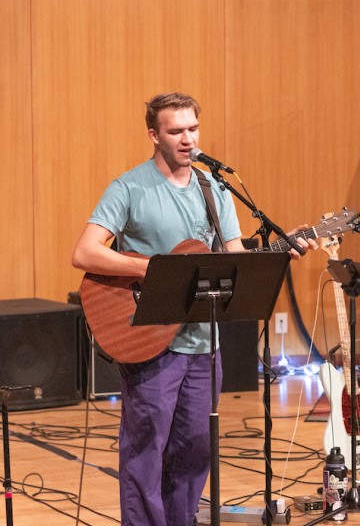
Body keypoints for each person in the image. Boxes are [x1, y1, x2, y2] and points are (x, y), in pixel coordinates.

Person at [71, 92, 315, 525]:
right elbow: (86, 253)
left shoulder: (214, 188)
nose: (187, 139)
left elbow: (235, 256)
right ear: (154, 135)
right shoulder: (129, 188)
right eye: (175, 131)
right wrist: (152, 270)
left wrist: (279, 250)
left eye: (193, 129)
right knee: (147, 450)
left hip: (204, 342)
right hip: (149, 340)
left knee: (195, 447)